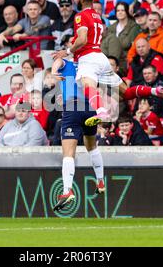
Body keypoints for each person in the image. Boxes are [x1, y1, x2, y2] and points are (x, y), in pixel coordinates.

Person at [53, 0, 163, 125]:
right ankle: (155, 90)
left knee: (88, 86)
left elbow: (82, 39)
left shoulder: (80, 16)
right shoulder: (97, 16)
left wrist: (67, 51)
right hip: (101, 57)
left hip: (88, 59)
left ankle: (101, 112)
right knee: (126, 93)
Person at [50, 57, 109, 211]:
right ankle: (101, 181)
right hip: (90, 107)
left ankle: (67, 190)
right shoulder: (89, 65)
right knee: (91, 146)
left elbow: (58, 61)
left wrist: (54, 71)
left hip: (73, 107)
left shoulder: (66, 62)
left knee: (68, 153)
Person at [101, 1, 140, 73]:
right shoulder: (112, 27)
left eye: (122, 10)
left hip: (124, 61)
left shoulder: (134, 27)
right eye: (118, 10)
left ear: (127, 11)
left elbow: (130, 45)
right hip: (109, 58)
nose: (120, 12)